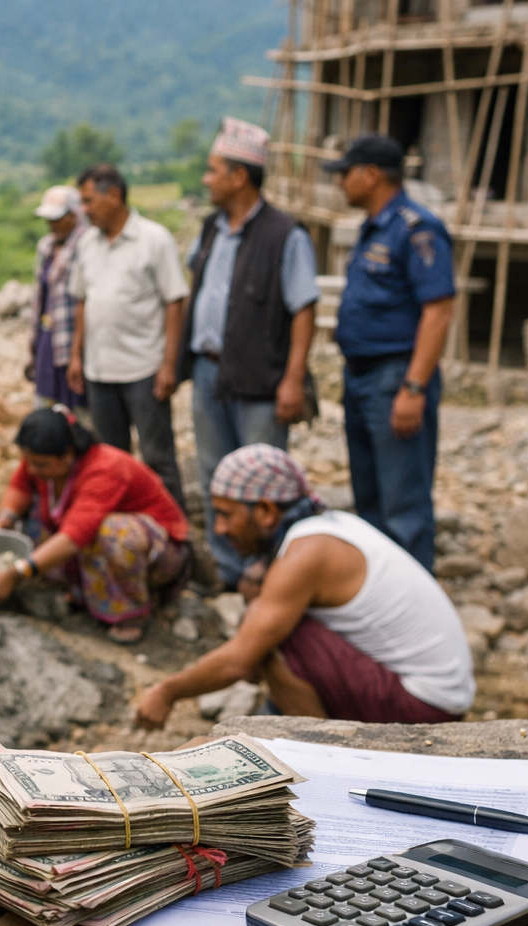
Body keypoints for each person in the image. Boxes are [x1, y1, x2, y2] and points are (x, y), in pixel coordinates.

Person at [133, 446, 473, 730]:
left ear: (266, 511)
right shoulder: (325, 528)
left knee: (273, 641)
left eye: (225, 514)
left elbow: (239, 660)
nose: (219, 529)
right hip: (437, 694)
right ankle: (282, 717)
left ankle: (321, 754)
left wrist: (168, 691)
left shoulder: (307, 552)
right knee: (265, 612)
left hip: (425, 708)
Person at [182, 118, 320, 589]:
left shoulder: (285, 234)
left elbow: (304, 309)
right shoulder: (209, 230)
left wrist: (293, 379)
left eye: (213, 169)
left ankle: (269, 572)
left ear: (239, 176)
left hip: (261, 380)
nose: (206, 179)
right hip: (208, 372)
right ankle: (226, 570)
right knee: (215, 475)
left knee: (264, 485)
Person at [324, 134, 455, 571]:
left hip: (394, 375)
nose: (340, 182)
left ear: (371, 174)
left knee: (404, 501)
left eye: (345, 173)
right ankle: (379, 593)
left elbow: (438, 311)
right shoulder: (373, 227)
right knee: (371, 497)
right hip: (361, 374)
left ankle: (412, 606)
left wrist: (414, 387)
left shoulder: (417, 229)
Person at [0, 407, 190, 644]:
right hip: (89, 542)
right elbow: (21, 486)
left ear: (68, 454)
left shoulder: (105, 468)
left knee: (112, 532)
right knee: (33, 519)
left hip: (159, 553)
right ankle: (81, 591)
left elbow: (74, 536)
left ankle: (129, 610)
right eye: (29, 462)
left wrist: (16, 572)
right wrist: (3, 522)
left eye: (39, 464)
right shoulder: (44, 461)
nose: (31, 470)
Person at [68, 163, 190, 512]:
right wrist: (77, 356)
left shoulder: (154, 239)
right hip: (100, 370)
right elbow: (82, 301)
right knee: (110, 458)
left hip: (144, 369)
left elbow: (174, 302)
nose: (84, 210)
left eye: (89, 201)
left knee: (158, 457)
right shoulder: (87, 243)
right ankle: (124, 529)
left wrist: (169, 365)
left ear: (115, 195)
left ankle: (173, 534)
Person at [27, 184, 88, 418]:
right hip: (49, 334)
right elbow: (40, 296)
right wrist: (32, 343)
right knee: (46, 404)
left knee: (79, 410)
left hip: (75, 340)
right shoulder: (47, 247)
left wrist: (77, 353)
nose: (52, 224)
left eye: (58, 218)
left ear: (74, 215)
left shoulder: (87, 244)